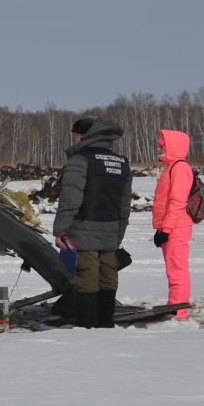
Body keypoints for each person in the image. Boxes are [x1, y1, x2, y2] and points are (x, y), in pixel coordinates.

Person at [52, 116, 133, 329]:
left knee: (86, 278)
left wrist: (60, 231)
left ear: (84, 136)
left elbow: (70, 200)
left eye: (75, 135)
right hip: (110, 232)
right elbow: (125, 206)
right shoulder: (122, 163)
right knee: (108, 276)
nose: (74, 139)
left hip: (82, 232)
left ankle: (87, 328)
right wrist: (118, 235)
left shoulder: (80, 161)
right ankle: (106, 324)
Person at [151, 129, 197, 321]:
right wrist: (162, 228)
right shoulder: (172, 167)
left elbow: (177, 202)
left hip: (176, 227)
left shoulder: (179, 168)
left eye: (162, 144)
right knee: (174, 269)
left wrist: (166, 229)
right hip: (171, 226)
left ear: (172, 146)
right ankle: (175, 306)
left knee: (177, 270)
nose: (159, 147)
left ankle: (179, 312)